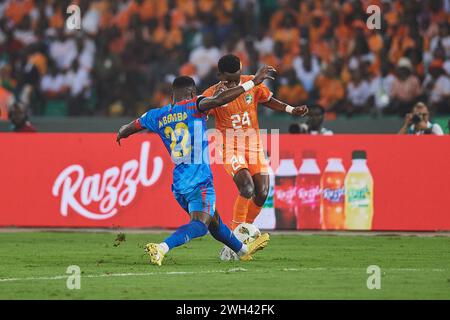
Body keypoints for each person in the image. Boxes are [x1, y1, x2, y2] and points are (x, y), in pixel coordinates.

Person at [115, 66, 276, 266]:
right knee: (200, 224)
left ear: (172, 95)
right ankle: (162, 247)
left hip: (179, 184)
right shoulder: (195, 105)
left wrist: (122, 133)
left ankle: (243, 251)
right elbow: (219, 101)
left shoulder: (157, 115)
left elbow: (131, 127)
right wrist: (253, 82)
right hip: (200, 181)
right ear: (192, 93)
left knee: (215, 223)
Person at [202, 54, 308, 232]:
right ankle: (234, 238)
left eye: (237, 79)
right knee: (247, 187)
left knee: (262, 192)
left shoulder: (251, 83)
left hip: (254, 146)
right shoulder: (212, 94)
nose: (234, 84)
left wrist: (291, 109)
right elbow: (201, 112)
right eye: (230, 81)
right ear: (220, 75)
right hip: (230, 147)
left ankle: (245, 232)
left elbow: (267, 100)